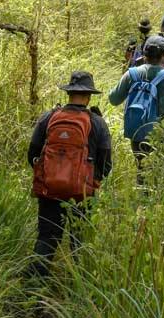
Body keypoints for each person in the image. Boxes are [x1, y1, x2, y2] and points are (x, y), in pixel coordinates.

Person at [27, 71, 112, 276]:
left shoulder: (49, 117)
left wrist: (50, 176)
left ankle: (32, 286)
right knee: (78, 241)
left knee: (47, 237)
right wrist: (93, 180)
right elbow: (106, 163)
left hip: (49, 189)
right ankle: (76, 287)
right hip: (82, 193)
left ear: (69, 93)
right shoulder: (98, 123)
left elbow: (32, 154)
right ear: (89, 96)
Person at [108, 37, 164, 178]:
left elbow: (113, 99)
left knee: (142, 174)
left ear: (144, 54)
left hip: (138, 134)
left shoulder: (132, 74)